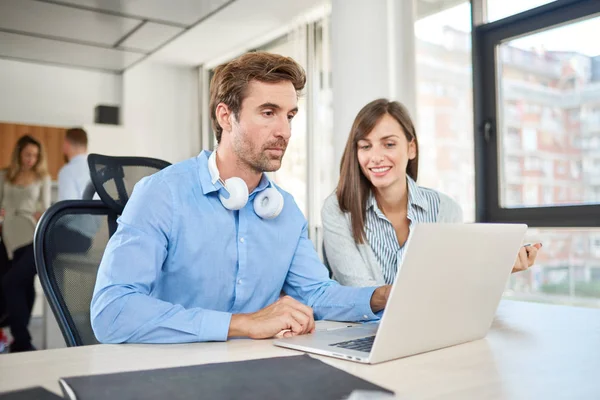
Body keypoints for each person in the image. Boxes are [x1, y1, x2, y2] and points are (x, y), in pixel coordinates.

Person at [90, 52, 392, 344]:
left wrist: (384, 296)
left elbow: (316, 293)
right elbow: (112, 311)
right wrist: (243, 324)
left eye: (289, 116)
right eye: (268, 113)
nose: (284, 131)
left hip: (253, 370)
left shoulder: (284, 210)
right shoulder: (162, 194)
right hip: (171, 372)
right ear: (226, 116)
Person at [322, 99, 542, 287]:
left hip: (426, 330)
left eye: (388, 144)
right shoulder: (339, 209)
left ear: (411, 149)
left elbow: (453, 286)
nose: (376, 156)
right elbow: (360, 293)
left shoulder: (446, 210)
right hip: (361, 332)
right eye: (365, 146)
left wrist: (495, 269)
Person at [0, 135, 51, 352]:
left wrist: (41, 213)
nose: (31, 159)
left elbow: (47, 207)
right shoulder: (5, 175)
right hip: (7, 238)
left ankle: (21, 339)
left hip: (30, 236)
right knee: (18, 286)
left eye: (35, 156)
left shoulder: (42, 178)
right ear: (20, 152)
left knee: (14, 282)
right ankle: (17, 337)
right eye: (28, 154)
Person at [54, 128, 95, 253]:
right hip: (93, 239)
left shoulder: (68, 171)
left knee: (34, 245)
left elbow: (66, 212)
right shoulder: (97, 169)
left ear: (66, 144)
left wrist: (46, 218)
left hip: (75, 236)